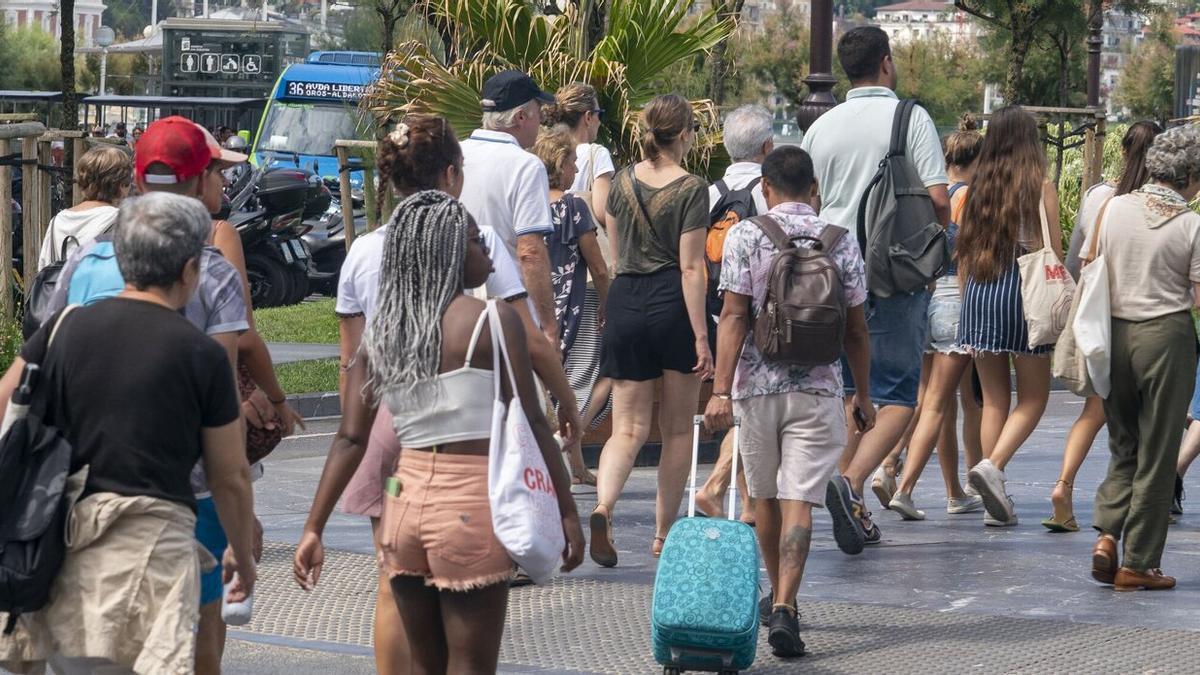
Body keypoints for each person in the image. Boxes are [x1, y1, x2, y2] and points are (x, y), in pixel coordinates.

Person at [293, 114, 539, 671]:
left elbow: (349, 389)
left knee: (396, 593)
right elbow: (527, 397)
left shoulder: (366, 258)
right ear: (451, 175)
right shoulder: (480, 294)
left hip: (396, 443)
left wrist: (315, 524)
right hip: (466, 477)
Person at [0, 193, 256, 674]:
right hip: (154, 550)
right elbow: (229, 476)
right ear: (187, 270)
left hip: (63, 550)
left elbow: (5, 405)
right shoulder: (200, 354)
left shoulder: (63, 328)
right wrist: (240, 555)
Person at [369, 190, 584, 671]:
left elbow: (353, 434)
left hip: (401, 507)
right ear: (447, 251)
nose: (488, 251)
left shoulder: (393, 326)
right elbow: (529, 418)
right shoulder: (493, 319)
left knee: (425, 665)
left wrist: (316, 527)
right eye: (475, 241)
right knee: (470, 665)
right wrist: (566, 508)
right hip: (466, 510)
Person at [135, 116, 301, 673]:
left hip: (103, 487)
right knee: (204, 632)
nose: (224, 186)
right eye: (216, 175)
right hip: (193, 486)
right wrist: (239, 521)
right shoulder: (211, 266)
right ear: (196, 181)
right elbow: (219, 400)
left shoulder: (86, 265)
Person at [704, 145, 872, 658]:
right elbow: (857, 331)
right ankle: (786, 606)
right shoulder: (840, 243)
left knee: (764, 499)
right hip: (818, 389)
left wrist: (720, 390)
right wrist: (861, 394)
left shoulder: (747, 236)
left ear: (767, 189)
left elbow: (733, 315)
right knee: (801, 500)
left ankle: (778, 597)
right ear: (814, 188)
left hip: (757, 389)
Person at [800, 26, 950, 553]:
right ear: (886, 63)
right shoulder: (910, 117)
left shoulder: (822, 126)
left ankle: (852, 505)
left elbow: (810, 202)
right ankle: (852, 480)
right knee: (900, 395)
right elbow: (938, 200)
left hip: (828, 272)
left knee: (850, 389)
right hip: (890, 271)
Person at [589, 94, 714, 567]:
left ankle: (603, 506)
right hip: (671, 304)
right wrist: (702, 337)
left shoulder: (620, 181)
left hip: (626, 299)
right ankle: (663, 535)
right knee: (677, 429)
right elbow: (691, 269)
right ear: (683, 133)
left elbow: (618, 256)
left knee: (627, 428)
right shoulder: (691, 188)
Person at [1088, 123, 1200, 591]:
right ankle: (1138, 563)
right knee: (1157, 454)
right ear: (1191, 175)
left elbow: (1094, 265)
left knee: (1124, 444)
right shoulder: (1191, 223)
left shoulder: (1113, 209)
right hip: (1166, 338)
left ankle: (1106, 537)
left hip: (1113, 335)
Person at [1042, 121, 1161, 532]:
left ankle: (1063, 486)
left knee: (1094, 411)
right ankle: (1137, 505)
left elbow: (1075, 259)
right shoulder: (1158, 205)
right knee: (1144, 419)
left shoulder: (1098, 197)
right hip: (1146, 318)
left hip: (1099, 316)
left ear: (1124, 151)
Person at [955, 106, 1061, 527]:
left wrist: (967, 302)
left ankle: (992, 499)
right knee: (1034, 397)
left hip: (980, 290)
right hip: (1022, 291)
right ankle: (993, 467)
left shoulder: (978, 186)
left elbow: (963, 249)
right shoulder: (1039, 186)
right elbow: (1049, 246)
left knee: (994, 399)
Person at [883, 115, 986, 520]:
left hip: (922, 300)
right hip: (954, 301)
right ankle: (898, 476)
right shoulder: (971, 199)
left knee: (930, 399)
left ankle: (952, 490)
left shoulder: (930, 196)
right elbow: (968, 261)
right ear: (976, 160)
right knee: (940, 404)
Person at [695, 104, 773, 523]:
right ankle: (717, 486)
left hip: (716, 314)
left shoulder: (711, 193)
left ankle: (746, 505)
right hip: (759, 316)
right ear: (767, 145)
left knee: (745, 402)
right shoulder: (767, 193)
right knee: (750, 406)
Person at [459, 69, 561, 350]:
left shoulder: (455, 153)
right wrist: (548, 327)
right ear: (520, 117)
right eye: (538, 110)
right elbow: (530, 252)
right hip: (507, 309)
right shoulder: (526, 166)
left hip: (452, 303)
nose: (542, 119)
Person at [532, 126, 611, 486]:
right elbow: (596, 263)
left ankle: (577, 466)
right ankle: (564, 455)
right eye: (573, 162)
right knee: (579, 385)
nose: (577, 169)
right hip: (569, 309)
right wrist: (607, 302)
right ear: (559, 162)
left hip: (532, 308)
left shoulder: (528, 204)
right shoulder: (573, 206)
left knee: (551, 387)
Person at [37, 145, 131, 270]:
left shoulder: (58, 220)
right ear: (121, 185)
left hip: (59, 288)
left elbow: (44, 268)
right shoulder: (122, 220)